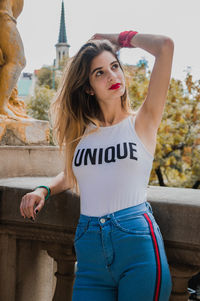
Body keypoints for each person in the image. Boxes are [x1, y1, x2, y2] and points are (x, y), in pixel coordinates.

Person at [20, 31, 174, 300]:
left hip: (136, 243)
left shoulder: (143, 122)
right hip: (90, 252)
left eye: (115, 67)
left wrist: (118, 38)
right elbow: (72, 175)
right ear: (88, 87)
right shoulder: (82, 134)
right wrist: (43, 189)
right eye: (99, 73)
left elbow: (165, 47)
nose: (112, 77)